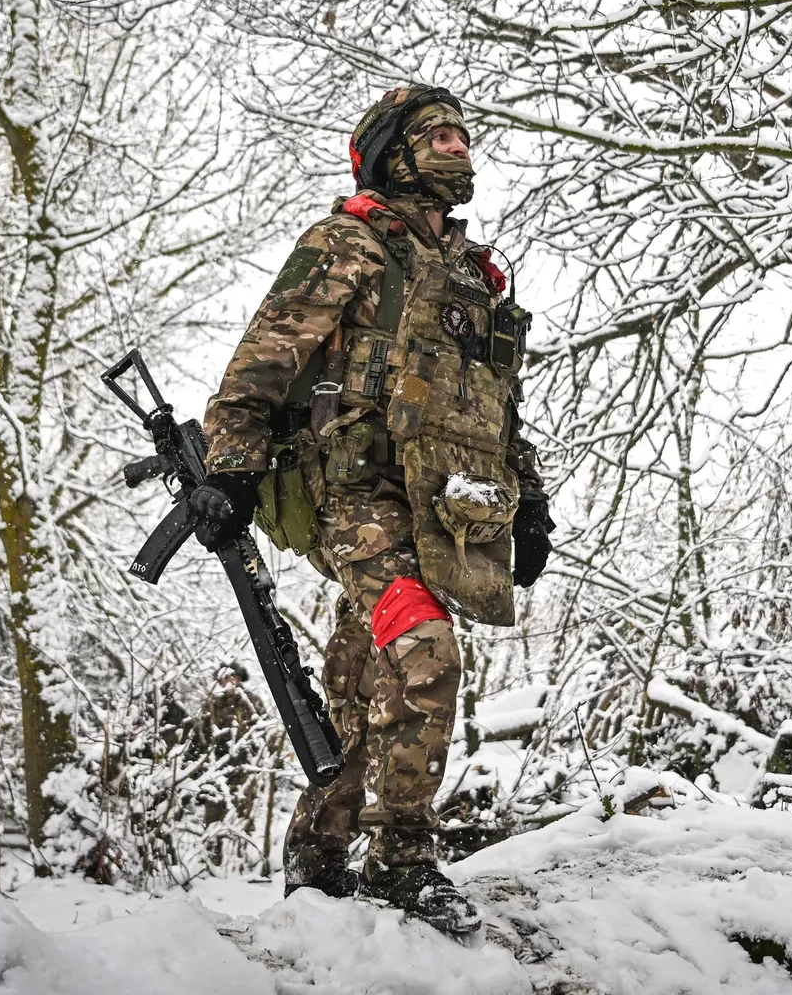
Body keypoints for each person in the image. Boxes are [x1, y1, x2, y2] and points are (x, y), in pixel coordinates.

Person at [186, 86, 553, 937]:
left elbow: (497, 407)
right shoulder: (346, 243)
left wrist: (531, 505)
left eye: (466, 135)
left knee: (365, 680)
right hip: (352, 494)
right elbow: (260, 364)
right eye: (440, 136)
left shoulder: (473, 275)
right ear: (394, 152)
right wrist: (230, 468)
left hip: (446, 508)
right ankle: (402, 863)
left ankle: (319, 858)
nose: (461, 148)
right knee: (425, 651)